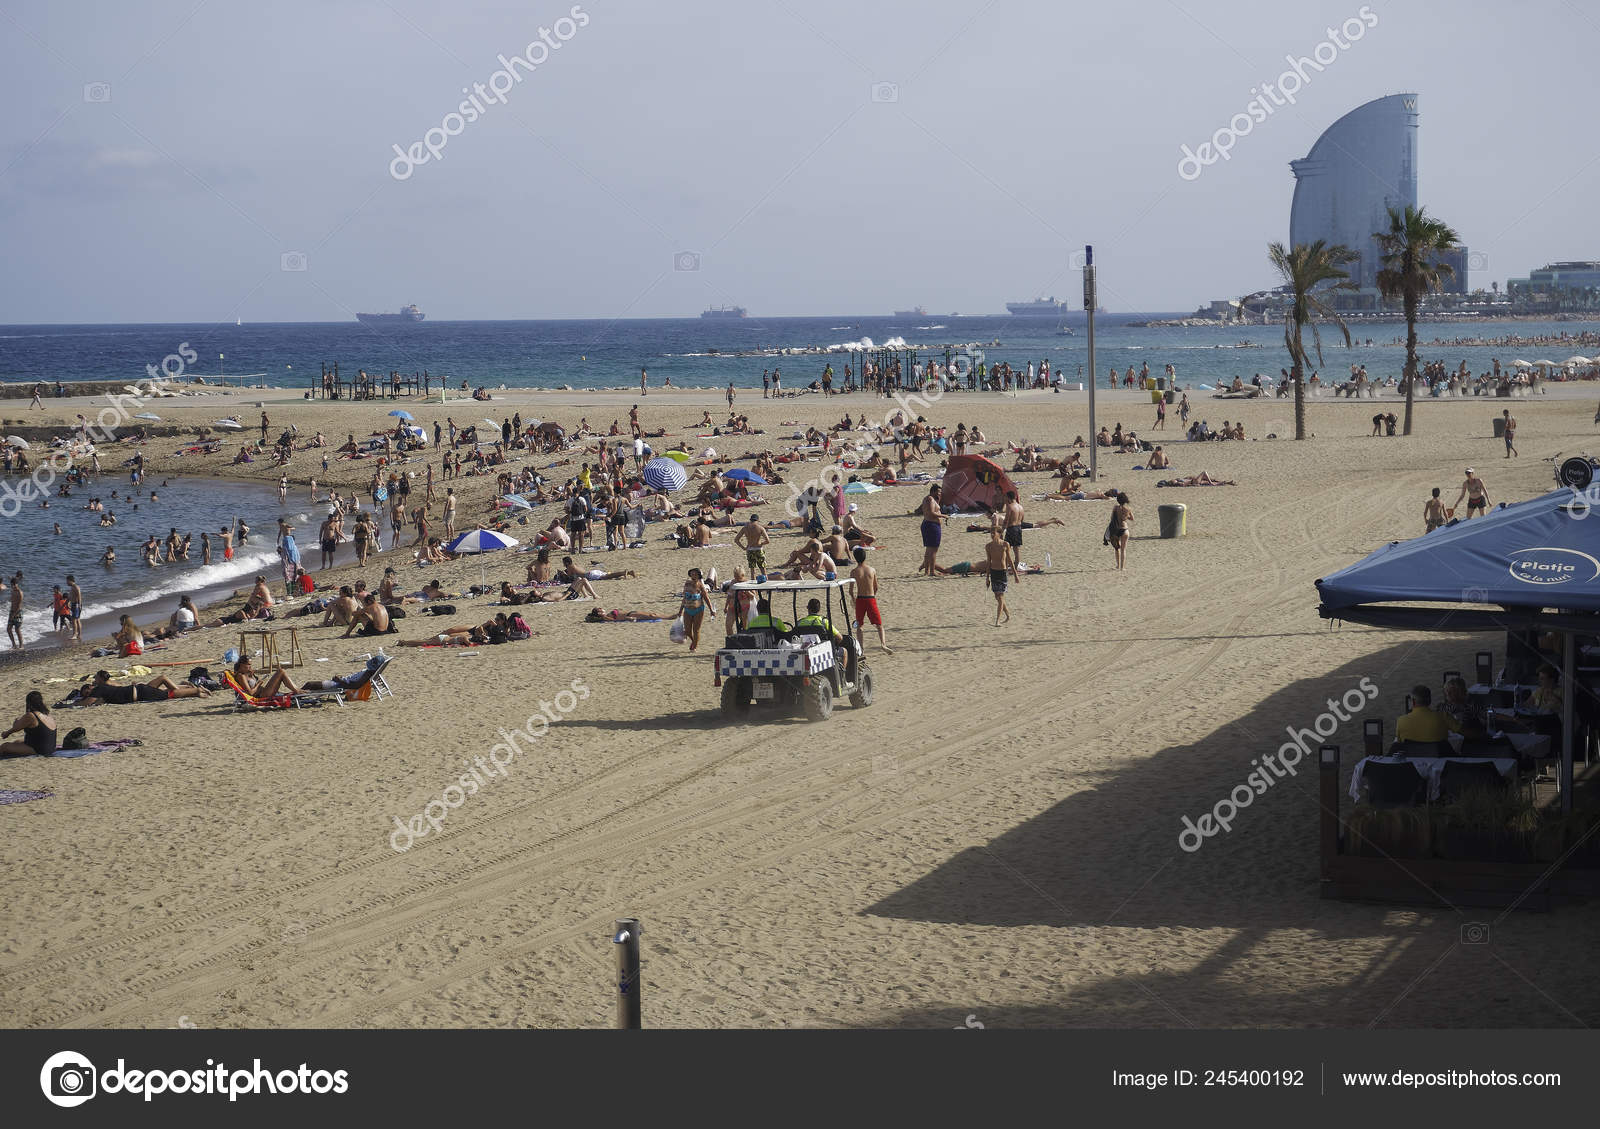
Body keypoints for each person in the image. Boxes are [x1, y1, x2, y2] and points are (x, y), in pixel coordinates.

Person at [79, 669, 210, 705]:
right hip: (140, 689)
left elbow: (88, 702)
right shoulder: (104, 689)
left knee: (169, 694)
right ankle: (190, 689)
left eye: (87, 692)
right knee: (165, 686)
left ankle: (197, 690)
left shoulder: (99, 689)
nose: (88, 694)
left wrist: (71, 704)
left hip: (141, 693)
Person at [849, 546, 890, 652]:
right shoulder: (872, 570)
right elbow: (876, 587)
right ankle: (883, 644)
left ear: (855, 558)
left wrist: (853, 600)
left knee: (859, 625)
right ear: (865, 557)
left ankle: (861, 648)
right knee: (879, 624)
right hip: (870, 598)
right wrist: (873, 595)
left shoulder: (854, 571)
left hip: (860, 599)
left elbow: (850, 591)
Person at [0, 691, 56, 756]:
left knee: (4, 746)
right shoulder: (48, 716)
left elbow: (15, 729)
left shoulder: (31, 716)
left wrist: (6, 733)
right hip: (51, 749)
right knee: (17, 742)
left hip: (40, 750)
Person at [678, 567, 715, 652]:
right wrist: (680, 610)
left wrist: (711, 610)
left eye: (695, 574)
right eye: (692, 573)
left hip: (698, 610)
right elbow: (684, 598)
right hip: (687, 609)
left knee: (696, 630)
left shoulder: (700, 585)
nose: (693, 575)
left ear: (699, 576)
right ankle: (694, 641)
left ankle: (694, 646)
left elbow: (706, 598)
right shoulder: (687, 584)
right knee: (687, 630)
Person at [917, 484, 944, 577]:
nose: (940, 493)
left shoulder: (930, 499)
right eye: (939, 491)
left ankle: (927, 571)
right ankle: (932, 571)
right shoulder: (930, 499)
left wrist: (939, 499)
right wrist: (944, 516)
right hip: (931, 525)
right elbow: (932, 513)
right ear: (933, 491)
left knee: (929, 549)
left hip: (929, 524)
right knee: (933, 549)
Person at [734, 512, 770, 577]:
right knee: (763, 570)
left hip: (750, 549)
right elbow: (767, 541)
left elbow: (736, 540)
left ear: (750, 520)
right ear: (757, 520)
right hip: (758, 549)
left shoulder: (745, 528)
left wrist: (743, 547)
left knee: (752, 571)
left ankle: (753, 585)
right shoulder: (760, 528)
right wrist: (761, 543)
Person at [1001, 490, 1025, 580]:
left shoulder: (1010, 507)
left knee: (1006, 549)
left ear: (1009, 498)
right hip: (1018, 528)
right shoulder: (1020, 507)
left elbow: (1006, 520)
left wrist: (1002, 530)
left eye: (1005, 497)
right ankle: (1014, 568)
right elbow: (1022, 519)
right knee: (1016, 550)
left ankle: (1006, 569)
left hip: (1011, 529)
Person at [1107, 492, 1132, 570]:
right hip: (1124, 529)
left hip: (1116, 529)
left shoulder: (1115, 507)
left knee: (1117, 548)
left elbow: (1111, 518)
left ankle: (1118, 565)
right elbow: (1132, 518)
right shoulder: (1128, 509)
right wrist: (1126, 516)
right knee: (1123, 549)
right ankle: (1122, 567)